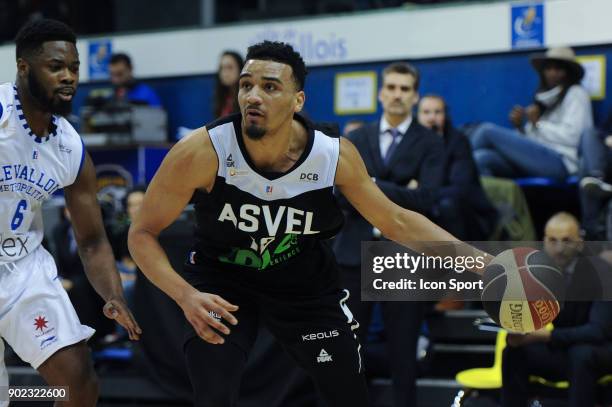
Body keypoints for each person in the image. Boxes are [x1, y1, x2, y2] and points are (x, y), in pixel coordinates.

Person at [128, 41, 488, 407]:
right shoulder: (202, 151)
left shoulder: (332, 155)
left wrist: (485, 266)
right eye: (246, 85)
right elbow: (141, 233)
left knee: (347, 393)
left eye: (269, 87)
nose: (253, 96)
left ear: (298, 100)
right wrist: (185, 295)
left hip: (303, 286)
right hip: (223, 281)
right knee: (214, 387)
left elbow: (397, 220)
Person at [0, 19, 141, 407]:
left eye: (74, 68)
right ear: (24, 67)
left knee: (77, 385)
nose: (69, 77)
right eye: (56, 67)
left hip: (22, 268)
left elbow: (92, 240)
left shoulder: (69, 146)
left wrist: (113, 295)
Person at [333, 62, 443, 406]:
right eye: (392, 87)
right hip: (353, 252)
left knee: (403, 355)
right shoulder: (356, 139)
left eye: (405, 89)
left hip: (404, 256)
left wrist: (371, 186)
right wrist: (401, 189)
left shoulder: (430, 143)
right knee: (346, 353)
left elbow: (427, 199)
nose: (397, 94)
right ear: (381, 93)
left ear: (415, 96)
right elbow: (340, 193)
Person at [501, 212, 612, 407]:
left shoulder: (601, 272)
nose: (559, 248)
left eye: (566, 241)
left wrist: (546, 336)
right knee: (514, 352)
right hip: (567, 347)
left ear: (580, 242)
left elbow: (597, 331)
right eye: (553, 240)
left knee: (581, 354)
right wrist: (518, 333)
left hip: (601, 349)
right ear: (544, 242)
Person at [470, 47, 593, 182]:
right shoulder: (544, 98)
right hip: (535, 160)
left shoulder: (576, 93)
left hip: (562, 163)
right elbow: (535, 139)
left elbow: (574, 137)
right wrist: (521, 128)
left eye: (558, 69)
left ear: (569, 73)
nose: (552, 73)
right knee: (480, 158)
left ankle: (447, 169)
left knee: (486, 130)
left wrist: (538, 124)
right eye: (548, 69)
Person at [417, 94, 498, 241]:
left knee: (447, 205)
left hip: (470, 216)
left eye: (437, 112)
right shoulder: (412, 143)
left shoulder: (458, 142)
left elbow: (460, 189)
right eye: (426, 112)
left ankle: (457, 261)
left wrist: (419, 192)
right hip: (431, 207)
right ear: (418, 116)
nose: (431, 118)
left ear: (445, 115)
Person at [213, 50, 244, 118]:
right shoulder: (223, 97)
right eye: (222, 68)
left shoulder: (245, 98)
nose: (225, 73)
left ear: (240, 69)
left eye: (230, 67)